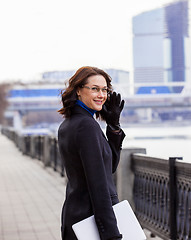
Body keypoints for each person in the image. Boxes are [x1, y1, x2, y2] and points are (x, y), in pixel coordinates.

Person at [58, 66, 125, 240]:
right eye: (95, 89)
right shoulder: (86, 126)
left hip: (76, 215)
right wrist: (111, 234)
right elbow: (98, 186)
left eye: (105, 90)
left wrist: (114, 127)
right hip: (90, 221)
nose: (101, 95)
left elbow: (107, 167)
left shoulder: (70, 123)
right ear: (79, 90)